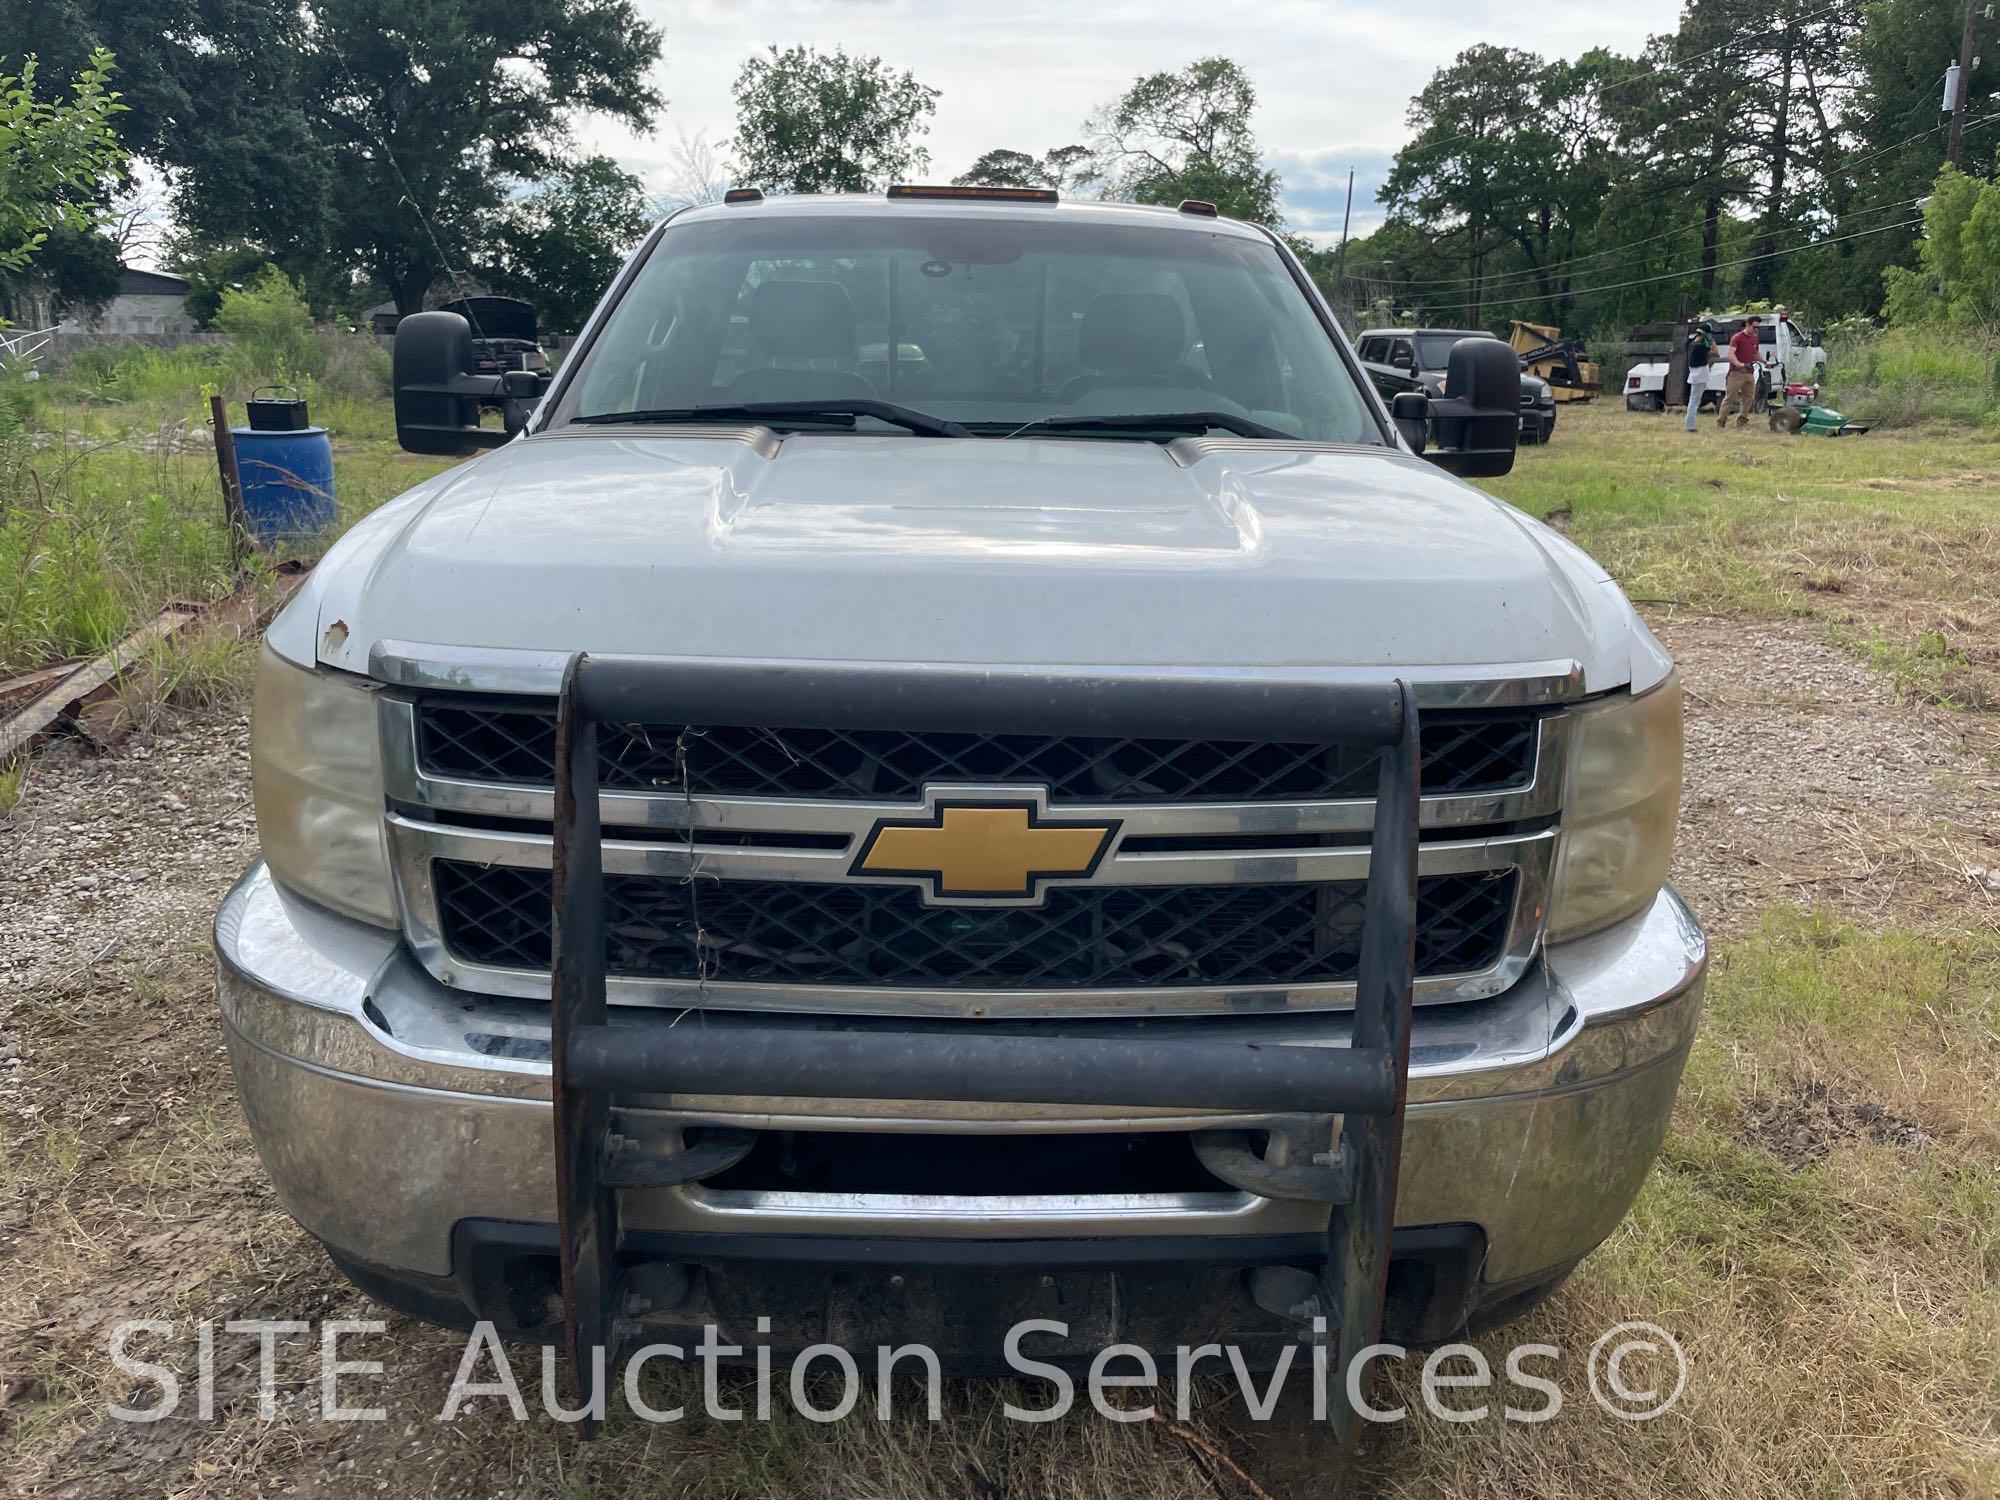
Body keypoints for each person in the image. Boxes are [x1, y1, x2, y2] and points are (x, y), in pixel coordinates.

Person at [1715, 318, 1765, 429]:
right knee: (1730, 398)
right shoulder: (1737, 338)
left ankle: (1742, 421)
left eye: (1758, 327)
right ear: (1747, 325)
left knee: (1749, 398)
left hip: (1749, 372)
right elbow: (1731, 354)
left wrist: (1765, 361)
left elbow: (1756, 353)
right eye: (1754, 327)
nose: (1756, 329)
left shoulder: (1755, 338)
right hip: (1736, 373)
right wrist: (1738, 363)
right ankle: (1721, 422)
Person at [1683, 321, 1715, 431]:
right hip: (1699, 376)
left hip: (1697, 376)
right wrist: (1711, 341)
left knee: (1694, 401)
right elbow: (1715, 352)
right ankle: (1690, 426)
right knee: (1694, 402)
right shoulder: (1700, 346)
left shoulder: (1693, 344)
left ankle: (1690, 424)